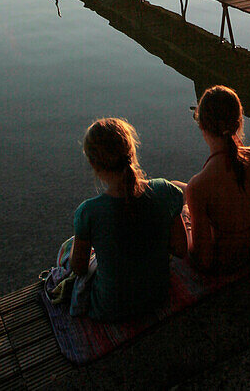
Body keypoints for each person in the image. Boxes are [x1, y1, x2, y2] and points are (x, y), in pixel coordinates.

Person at [70, 117, 187, 321]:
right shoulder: (165, 191)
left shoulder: (88, 212)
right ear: (131, 152)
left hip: (110, 308)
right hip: (158, 297)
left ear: (93, 164)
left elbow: (78, 268)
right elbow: (180, 249)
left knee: (68, 248)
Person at [179, 86, 250, 273]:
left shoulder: (200, 185)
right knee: (181, 188)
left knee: (180, 205)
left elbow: (202, 259)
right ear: (238, 122)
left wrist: (186, 226)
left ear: (201, 125)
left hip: (224, 265)